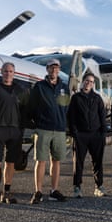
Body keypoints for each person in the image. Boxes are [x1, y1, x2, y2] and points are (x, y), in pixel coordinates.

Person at [28, 58, 70, 203]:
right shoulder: (39, 86)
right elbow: (31, 106)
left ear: (59, 69)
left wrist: (65, 124)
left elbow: (66, 108)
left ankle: (53, 191)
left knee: (56, 161)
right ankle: (38, 191)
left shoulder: (64, 87)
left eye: (57, 67)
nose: (54, 70)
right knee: (41, 161)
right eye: (51, 67)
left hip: (59, 129)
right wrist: (36, 122)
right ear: (47, 69)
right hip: (43, 129)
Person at [0, 62, 27, 206]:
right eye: (6, 71)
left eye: (10, 71)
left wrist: (22, 128)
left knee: (11, 163)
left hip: (15, 130)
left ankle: (7, 193)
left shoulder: (19, 90)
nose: (8, 73)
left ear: (14, 73)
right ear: (1, 72)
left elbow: (24, 109)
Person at [67, 72, 107, 198]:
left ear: (93, 84)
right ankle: (77, 187)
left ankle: (99, 186)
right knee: (78, 162)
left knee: (97, 162)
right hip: (81, 135)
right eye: (86, 80)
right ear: (82, 82)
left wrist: (102, 133)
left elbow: (102, 116)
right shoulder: (76, 98)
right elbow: (71, 116)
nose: (88, 83)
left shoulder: (97, 98)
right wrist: (74, 132)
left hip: (96, 135)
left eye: (91, 81)